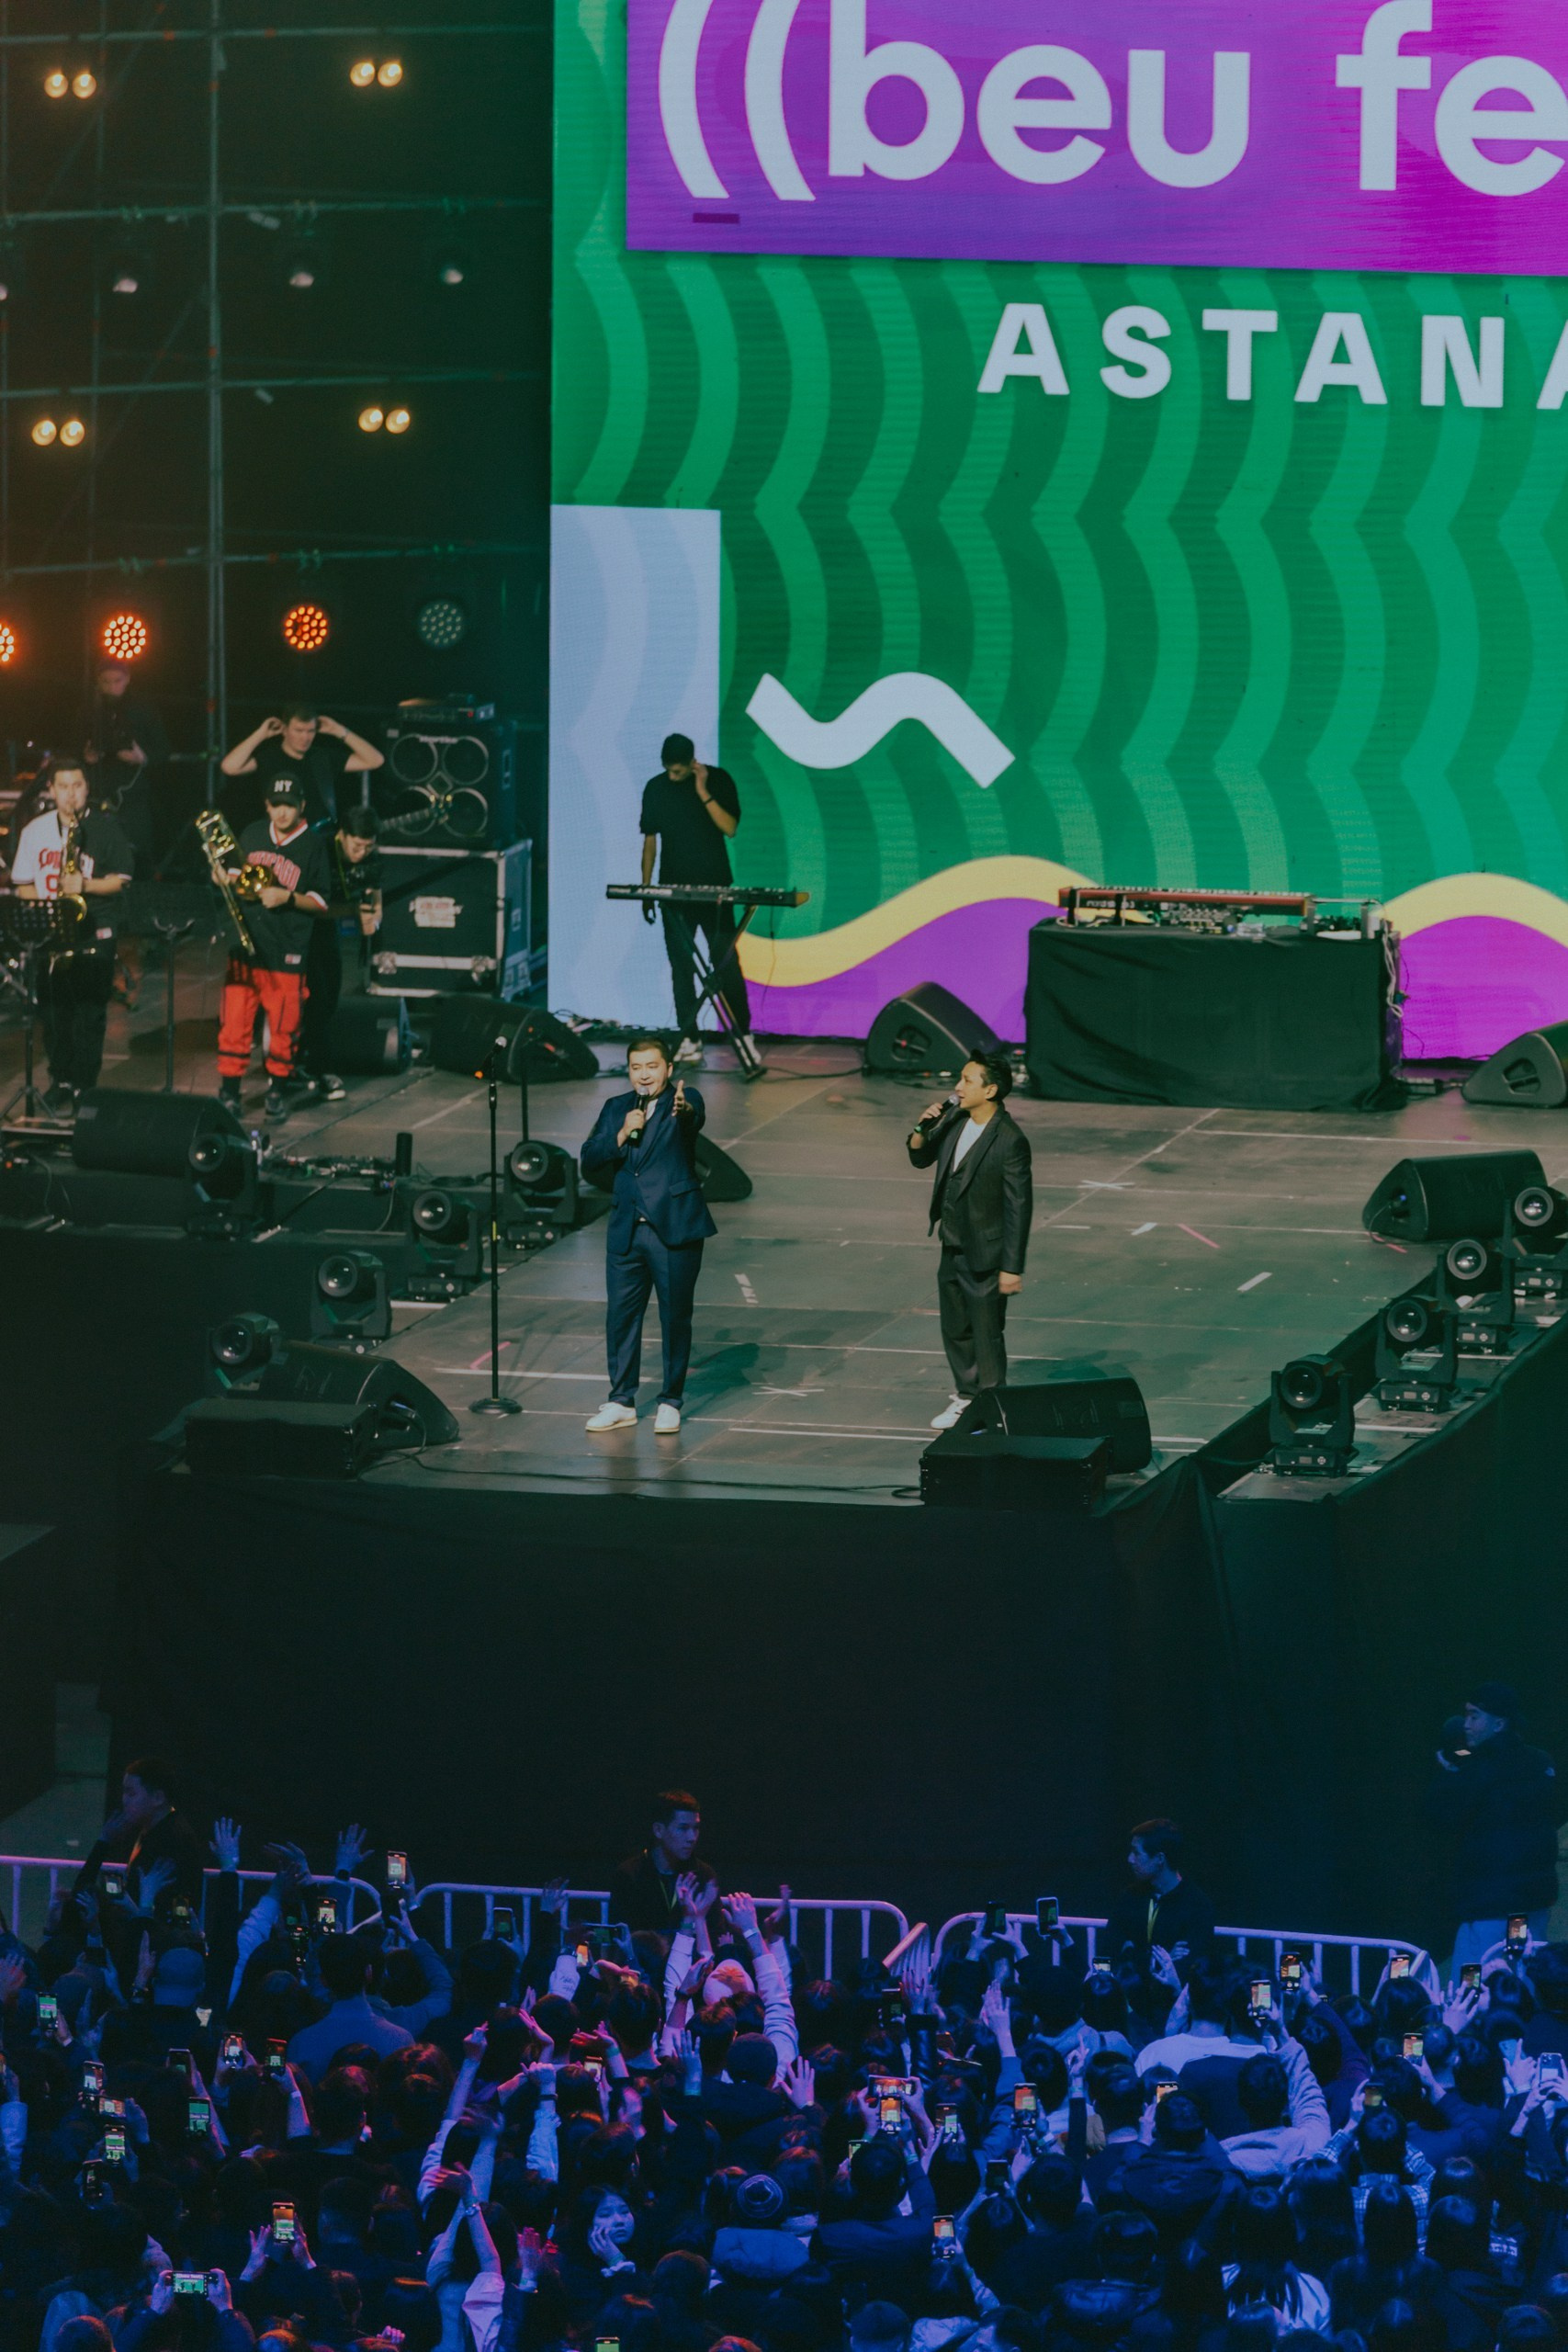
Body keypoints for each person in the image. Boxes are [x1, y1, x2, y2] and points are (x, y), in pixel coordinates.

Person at [580, 1035, 716, 1435]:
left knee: (674, 1317)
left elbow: (692, 1116)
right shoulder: (616, 1108)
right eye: (636, 1068)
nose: (644, 1075)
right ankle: (621, 1400)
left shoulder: (682, 1101)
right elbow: (590, 1157)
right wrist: (622, 1133)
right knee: (621, 1318)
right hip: (626, 1229)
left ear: (668, 1069)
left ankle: (670, 1400)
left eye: (652, 1067)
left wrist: (684, 1107)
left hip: (672, 1228)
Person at [907, 1053, 1032, 1430]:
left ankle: (992, 1407)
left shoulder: (1009, 1140)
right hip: (952, 1243)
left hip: (987, 1252)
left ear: (990, 1090)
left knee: (986, 1332)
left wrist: (1011, 1267)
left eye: (967, 1080)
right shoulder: (955, 1120)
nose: (958, 1088)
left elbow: (1018, 1207)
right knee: (956, 1327)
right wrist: (921, 1128)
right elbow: (921, 1157)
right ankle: (966, 1396)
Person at [10, 753, 133, 1114]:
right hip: (52, 933)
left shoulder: (106, 828)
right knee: (53, 1013)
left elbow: (123, 880)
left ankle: (84, 1085)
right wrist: (48, 905)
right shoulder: (35, 830)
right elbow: (22, 884)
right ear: (51, 790)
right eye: (63, 786)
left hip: (95, 929)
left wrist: (86, 885)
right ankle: (61, 1079)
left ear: (87, 788)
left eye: (77, 786)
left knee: (89, 1014)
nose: (70, 794)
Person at [637, 731, 761, 1071]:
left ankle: (744, 1034)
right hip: (674, 890)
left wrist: (703, 791)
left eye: (678, 770)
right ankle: (689, 1038)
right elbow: (650, 841)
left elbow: (730, 827)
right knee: (681, 966)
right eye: (668, 769)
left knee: (725, 963)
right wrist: (647, 889)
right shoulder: (655, 788)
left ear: (692, 763)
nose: (672, 776)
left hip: (715, 888)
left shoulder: (718, 780)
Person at [214, 774, 331, 1119]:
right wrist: (222, 877)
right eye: (276, 805)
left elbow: (322, 902)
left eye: (289, 806)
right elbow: (234, 877)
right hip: (246, 945)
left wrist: (287, 897)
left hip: (286, 948)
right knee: (234, 1022)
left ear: (302, 806)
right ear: (267, 805)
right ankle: (229, 1092)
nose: (282, 813)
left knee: (284, 1024)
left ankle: (277, 1090)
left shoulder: (313, 845)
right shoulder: (252, 833)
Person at [1428, 1682, 1565, 1967]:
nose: (1466, 1725)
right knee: (1527, 1974)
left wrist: (1449, 1774)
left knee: (1475, 1981)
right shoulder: (1541, 1762)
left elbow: (1440, 1817)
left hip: (1489, 1904)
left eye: (1474, 1716)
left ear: (1499, 1723)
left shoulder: (1476, 1769)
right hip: (1534, 1900)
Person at [296, 803, 383, 1102]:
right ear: (342, 835)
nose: (362, 853)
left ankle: (308, 1059)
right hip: (302, 926)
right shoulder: (320, 851)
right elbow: (312, 905)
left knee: (331, 992)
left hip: (328, 927)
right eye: (356, 846)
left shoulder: (370, 856)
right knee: (314, 995)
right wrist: (353, 911)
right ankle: (315, 1066)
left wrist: (373, 917)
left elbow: (375, 892)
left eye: (368, 847)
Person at [220, 705, 384, 834]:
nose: (305, 737)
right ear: (284, 729)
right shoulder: (270, 757)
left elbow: (375, 761)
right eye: (298, 730)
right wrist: (261, 734)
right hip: (280, 837)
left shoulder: (322, 756)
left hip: (317, 837)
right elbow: (230, 767)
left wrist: (339, 730)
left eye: (310, 731)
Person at [82, 659, 170, 869]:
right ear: (98, 682)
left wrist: (143, 758)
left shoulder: (143, 709)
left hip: (133, 793)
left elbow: (164, 751)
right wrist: (86, 756)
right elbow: (73, 747)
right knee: (96, 850)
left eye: (117, 681)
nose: (112, 687)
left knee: (137, 850)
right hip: (98, 790)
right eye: (106, 682)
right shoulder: (89, 711)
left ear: (127, 679)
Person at [1105, 1819, 1217, 1973]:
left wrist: (1131, 1952)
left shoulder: (1197, 1906)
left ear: (1159, 1859)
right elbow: (1109, 1950)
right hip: (1125, 1986)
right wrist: (1163, 1961)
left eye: (1136, 1853)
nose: (1130, 1859)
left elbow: (1186, 1966)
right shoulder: (1129, 1897)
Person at [612, 1792, 714, 1934]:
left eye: (696, 1828)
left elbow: (716, 1935)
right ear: (658, 1830)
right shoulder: (629, 1874)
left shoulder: (703, 1875)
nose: (692, 1837)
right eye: (683, 1828)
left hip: (691, 1949)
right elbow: (620, 1934)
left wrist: (688, 1925)